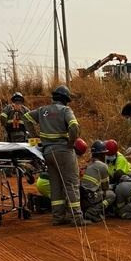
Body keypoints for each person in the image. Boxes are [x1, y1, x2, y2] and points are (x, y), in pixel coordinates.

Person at [24, 85, 91, 226]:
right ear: (66, 100)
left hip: (47, 152)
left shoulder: (43, 111)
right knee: (71, 183)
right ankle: (77, 218)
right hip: (63, 151)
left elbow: (26, 117)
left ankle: (58, 217)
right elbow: (74, 126)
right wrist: (71, 142)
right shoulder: (66, 110)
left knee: (55, 185)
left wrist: (35, 135)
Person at [80, 140, 116, 223]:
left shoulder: (89, 164)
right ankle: (93, 211)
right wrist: (114, 186)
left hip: (83, 198)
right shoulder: (103, 166)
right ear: (102, 154)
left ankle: (89, 210)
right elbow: (105, 187)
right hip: (90, 198)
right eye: (104, 153)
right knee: (111, 195)